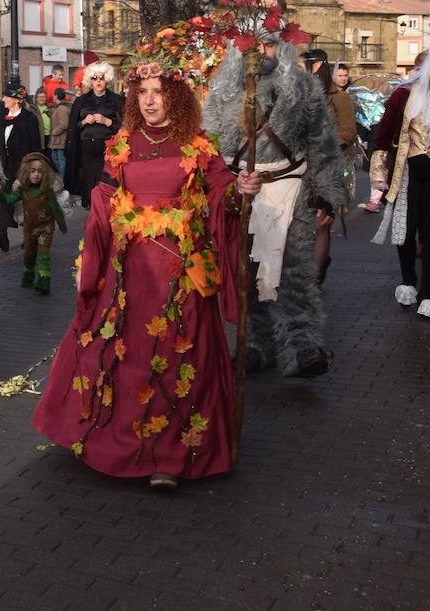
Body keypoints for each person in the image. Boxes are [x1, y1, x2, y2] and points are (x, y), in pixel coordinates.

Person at [34, 56, 261, 489]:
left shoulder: (199, 144)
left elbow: (223, 194)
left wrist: (240, 190)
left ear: (175, 97)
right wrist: (93, 254)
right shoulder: (122, 143)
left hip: (181, 274)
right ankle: (112, 440)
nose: (151, 100)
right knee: (129, 354)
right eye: (143, 93)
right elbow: (104, 199)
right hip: (130, 272)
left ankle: (171, 457)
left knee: (178, 356)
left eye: (159, 92)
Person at [204, 24, 346, 376]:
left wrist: (326, 196)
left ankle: (301, 347)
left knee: (293, 270)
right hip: (241, 190)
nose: (259, 54)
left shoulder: (302, 88)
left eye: (267, 46)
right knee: (245, 272)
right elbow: (207, 147)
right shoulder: (222, 90)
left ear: (279, 48)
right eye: (251, 47)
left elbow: (322, 142)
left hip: (289, 188)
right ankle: (253, 344)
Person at [370, 38, 430, 319]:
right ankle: (407, 281)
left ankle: (428, 294)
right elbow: (383, 136)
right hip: (409, 172)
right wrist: (379, 174)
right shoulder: (405, 95)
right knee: (406, 229)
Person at [301, 49, 357, 284]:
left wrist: (322, 143)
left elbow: (348, 132)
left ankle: (316, 276)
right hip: (300, 168)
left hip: (327, 166)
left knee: (322, 222)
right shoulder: (298, 94)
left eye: (307, 64)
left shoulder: (339, 97)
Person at [0, 151, 67, 293]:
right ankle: (28, 278)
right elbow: (9, 200)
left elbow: (55, 208)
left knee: (44, 256)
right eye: (33, 171)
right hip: (29, 228)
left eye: (40, 171)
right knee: (29, 254)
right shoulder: (23, 190)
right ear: (26, 172)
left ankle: (44, 283)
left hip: (46, 228)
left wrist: (62, 225)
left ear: (44, 173)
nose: (36, 174)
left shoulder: (46, 190)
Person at [64, 61, 124, 211]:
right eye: (95, 78)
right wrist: (84, 121)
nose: (98, 81)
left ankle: (107, 211)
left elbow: (124, 127)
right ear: (90, 80)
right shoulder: (81, 101)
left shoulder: (116, 101)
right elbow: (73, 128)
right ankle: (93, 215)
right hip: (87, 151)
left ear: (107, 79)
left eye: (101, 78)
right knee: (89, 186)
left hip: (108, 150)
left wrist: (107, 121)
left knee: (107, 185)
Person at [0, 82, 44, 250]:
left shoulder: (28, 119)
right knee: (3, 201)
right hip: (6, 167)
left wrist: (32, 169)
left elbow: (35, 146)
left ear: (16, 99)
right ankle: (2, 237)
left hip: (23, 167)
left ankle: (29, 237)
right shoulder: (3, 119)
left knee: (25, 203)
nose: (3, 99)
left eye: (7, 96)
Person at [48, 88, 71, 178]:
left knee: (61, 161)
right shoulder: (60, 108)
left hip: (60, 140)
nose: (52, 97)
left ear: (57, 96)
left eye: (54, 95)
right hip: (58, 141)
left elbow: (64, 124)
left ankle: (63, 181)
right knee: (56, 159)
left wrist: (54, 132)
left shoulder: (62, 108)